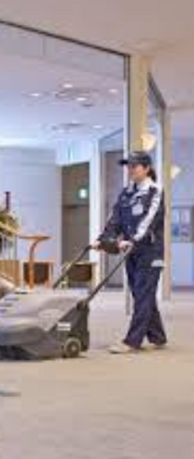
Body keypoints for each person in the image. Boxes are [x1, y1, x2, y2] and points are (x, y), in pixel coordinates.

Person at [93, 151, 167, 354]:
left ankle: (132, 341)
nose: (130, 170)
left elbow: (150, 221)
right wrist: (103, 239)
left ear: (147, 168)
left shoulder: (155, 191)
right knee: (141, 294)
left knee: (143, 295)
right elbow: (115, 219)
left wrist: (132, 240)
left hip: (150, 252)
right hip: (131, 251)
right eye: (129, 166)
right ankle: (158, 336)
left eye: (134, 166)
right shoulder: (126, 192)